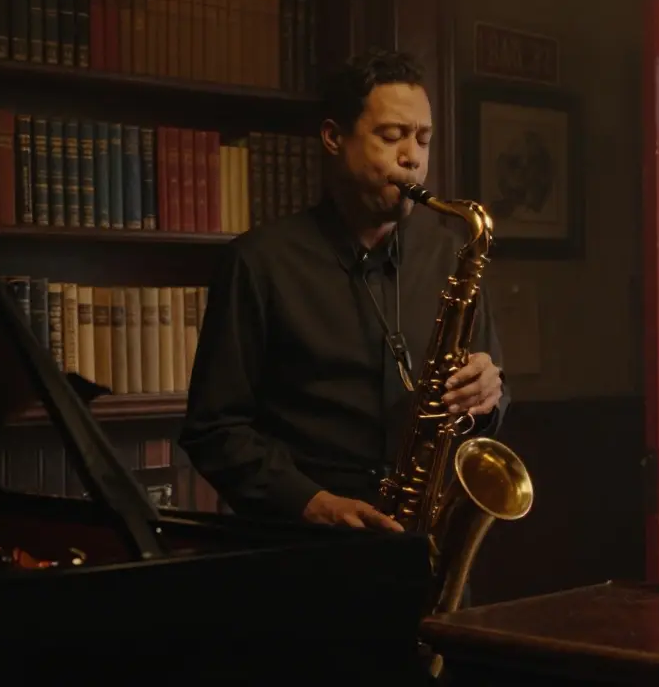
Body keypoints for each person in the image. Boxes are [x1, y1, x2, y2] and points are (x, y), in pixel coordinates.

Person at [178, 48, 509, 532]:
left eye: (423, 139)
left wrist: (489, 394)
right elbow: (214, 430)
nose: (412, 157)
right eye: (391, 136)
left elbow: (493, 398)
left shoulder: (449, 255)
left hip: (425, 537)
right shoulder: (259, 262)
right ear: (334, 138)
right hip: (304, 547)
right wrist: (311, 503)